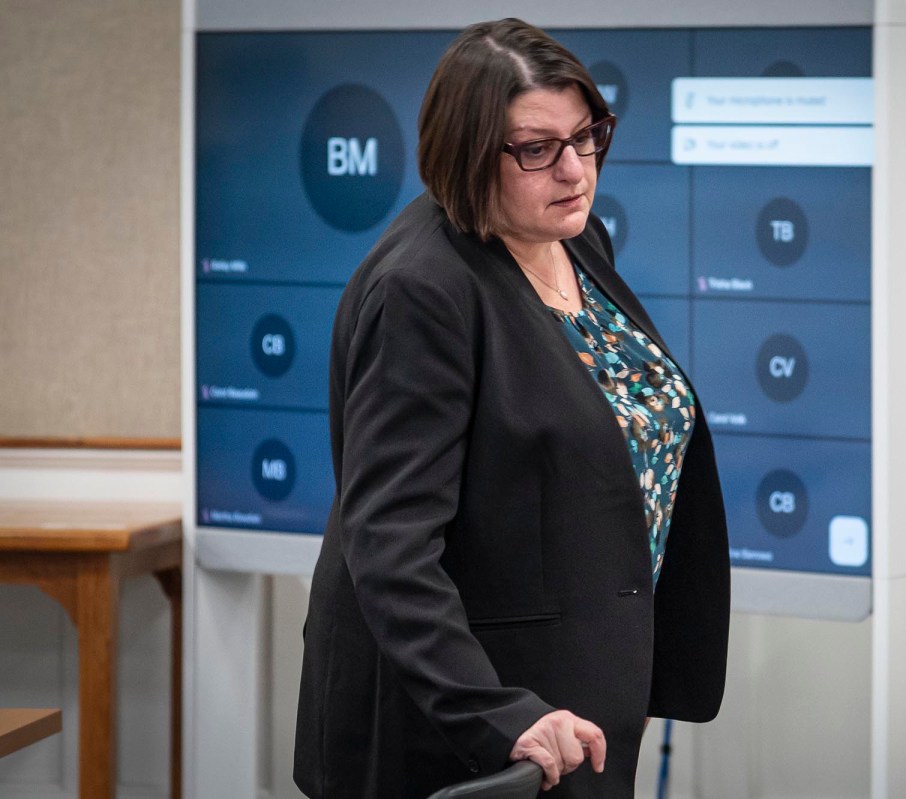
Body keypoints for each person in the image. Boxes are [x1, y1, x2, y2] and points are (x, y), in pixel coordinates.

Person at [294, 18, 730, 799]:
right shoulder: (421, 291)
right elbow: (389, 544)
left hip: (583, 686)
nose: (575, 169)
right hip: (475, 719)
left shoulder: (575, 238)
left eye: (586, 136)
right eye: (537, 148)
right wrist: (493, 712)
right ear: (464, 151)